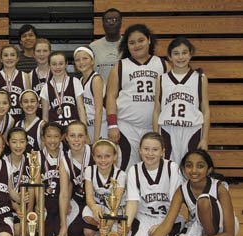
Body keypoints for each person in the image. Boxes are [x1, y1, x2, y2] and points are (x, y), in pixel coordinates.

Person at [129, 149, 239, 236]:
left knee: (204, 202)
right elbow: (167, 225)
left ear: (209, 170)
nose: (194, 170)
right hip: (198, 226)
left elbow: (229, 234)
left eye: (200, 166)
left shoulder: (219, 188)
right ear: (183, 169)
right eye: (189, 166)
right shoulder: (181, 190)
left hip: (222, 228)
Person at [106, 24, 170, 171]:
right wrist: (112, 125)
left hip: (154, 127)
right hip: (127, 127)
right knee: (125, 167)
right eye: (132, 42)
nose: (137, 45)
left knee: (154, 168)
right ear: (126, 45)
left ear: (149, 40)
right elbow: (110, 97)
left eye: (140, 40)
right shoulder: (120, 66)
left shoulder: (163, 65)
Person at [125, 132, 183, 236]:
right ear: (140, 151)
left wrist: (162, 225)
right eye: (146, 149)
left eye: (155, 150)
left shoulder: (172, 168)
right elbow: (132, 201)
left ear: (163, 151)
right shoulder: (133, 170)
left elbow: (176, 203)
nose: (150, 153)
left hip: (168, 218)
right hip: (144, 218)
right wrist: (127, 225)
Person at [153, 37, 210, 164]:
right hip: (168, 129)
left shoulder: (200, 78)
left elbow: (206, 110)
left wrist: (205, 138)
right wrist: (155, 136)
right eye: (176, 53)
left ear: (190, 54)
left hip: (192, 129)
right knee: (168, 168)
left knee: (191, 168)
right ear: (169, 56)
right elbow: (157, 110)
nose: (180, 57)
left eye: (184, 53)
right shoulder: (161, 79)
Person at [56, 121, 95, 236]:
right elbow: (63, 193)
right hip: (79, 199)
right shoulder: (64, 160)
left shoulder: (95, 152)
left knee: (88, 233)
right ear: (66, 137)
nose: (76, 140)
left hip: (98, 199)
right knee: (71, 231)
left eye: (80, 136)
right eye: (72, 136)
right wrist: (63, 226)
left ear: (86, 137)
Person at [84, 139, 126, 236]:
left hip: (116, 210)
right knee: (87, 227)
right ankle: (101, 229)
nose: (103, 160)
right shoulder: (89, 170)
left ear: (115, 157)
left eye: (107, 156)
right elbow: (89, 196)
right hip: (101, 207)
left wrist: (109, 225)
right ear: (93, 157)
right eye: (99, 156)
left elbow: (116, 204)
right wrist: (94, 208)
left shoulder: (121, 175)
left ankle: (108, 229)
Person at [41, 52, 87, 128]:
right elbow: (45, 116)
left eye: (61, 64)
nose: (57, 67)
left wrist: (84, 130)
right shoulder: (45, 87)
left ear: (66, 64)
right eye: (54, 64)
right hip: (56, 132)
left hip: (74, 130)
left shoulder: (75, 81)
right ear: (49, 65)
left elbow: (81, 109)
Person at [36, 122, 64, 236]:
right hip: (45, 200)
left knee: (71, 230)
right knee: (44, 233)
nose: (53, 140)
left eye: (56, 136)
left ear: (62, 137)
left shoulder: (65, 156)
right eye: (49, 136)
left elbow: (68, 184)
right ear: (43, 138)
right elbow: (36, 184)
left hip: (59, 200)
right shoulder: (37, 156)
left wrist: (66, 203)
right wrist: (39, 204)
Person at [74, 46, 106, 143]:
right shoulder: (80, 81)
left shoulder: (96, 79)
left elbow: (99, 110)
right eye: (77, 60)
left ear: (92, 61)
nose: (81, 62)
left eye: (85, 58)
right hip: (88, 127)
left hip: (100, 126)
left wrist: (96, 137)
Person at [5, 127, 31, 236]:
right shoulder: (2, 162)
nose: (18, 146)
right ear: (8, 142)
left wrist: (27, 211)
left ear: (27, 142)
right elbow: (3, 191)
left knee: (28, 231)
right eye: (14, 142)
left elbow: (35, 188)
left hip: (27, 208)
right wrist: (16, 206)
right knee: (19, 232)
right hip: (8, 207)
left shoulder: (32, 160)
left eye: (22, 142)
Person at [0, 45, 29, 122]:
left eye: (12, 55)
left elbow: (27, 100)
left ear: (17, 58)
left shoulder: (24, 76)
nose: (9, 58)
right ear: (1, 59)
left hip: (19, 119)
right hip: (1, 119)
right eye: (6, 55)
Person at [89, 8, 122, 84]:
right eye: (108, 20)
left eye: (115, 20)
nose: (111, 23)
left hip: (124, 94)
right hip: (100, 94)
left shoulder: (128, 45)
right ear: (103, 24)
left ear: (121, 23)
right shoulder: (93, 47)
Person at [29, 38, 51, 118]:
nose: (42, 54)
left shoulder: (58, 74)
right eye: (38, 51)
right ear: (33, 54)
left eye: (45, 51)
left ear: (50, 53)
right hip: (36, 117)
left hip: (54, 116)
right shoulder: (29, 76)